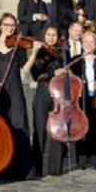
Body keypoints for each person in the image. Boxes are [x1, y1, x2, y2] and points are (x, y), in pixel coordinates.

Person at [0, 12, 41, 180]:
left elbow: (25, 70)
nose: (10, 28)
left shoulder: (18, 46)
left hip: (15, 91)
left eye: (13, 25)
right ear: (0, 26)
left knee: (18, 127)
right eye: (7, 25)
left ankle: (21, 171)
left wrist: (34, 52)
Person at [70, 31, 96, 169]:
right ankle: (81, 159)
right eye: (86, 42)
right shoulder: (76, 60)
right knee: (82, 128)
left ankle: (95, 159)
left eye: (92, 42)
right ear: (82, 44)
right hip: (81, 99)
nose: (89, 45)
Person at [30, 24, 66, 176]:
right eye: (49, 35)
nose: (51, 38)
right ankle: (36, 168)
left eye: (54, 35)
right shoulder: (38, 51)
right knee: (40, 128)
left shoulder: (61, 52)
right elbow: (36, 74)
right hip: (43, 91)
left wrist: (65, 72)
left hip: (58, 93)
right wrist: (53, 73)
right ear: (44, 35)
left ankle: (55, 168)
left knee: (58, 128)